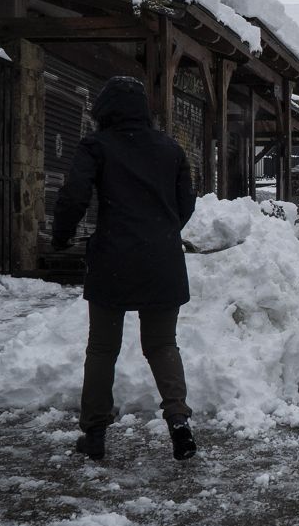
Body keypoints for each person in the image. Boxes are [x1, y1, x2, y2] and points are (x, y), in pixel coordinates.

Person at [52, 76, 198, 462]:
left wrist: (61, 235)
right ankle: (179, 422)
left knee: (102, 348)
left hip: (112, 258)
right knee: (162, 344)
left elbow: (74, 194)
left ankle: (95, 433)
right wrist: (163, 232)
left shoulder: (96, 146)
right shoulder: (170, 149)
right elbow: (187, 202)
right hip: (162, 260)